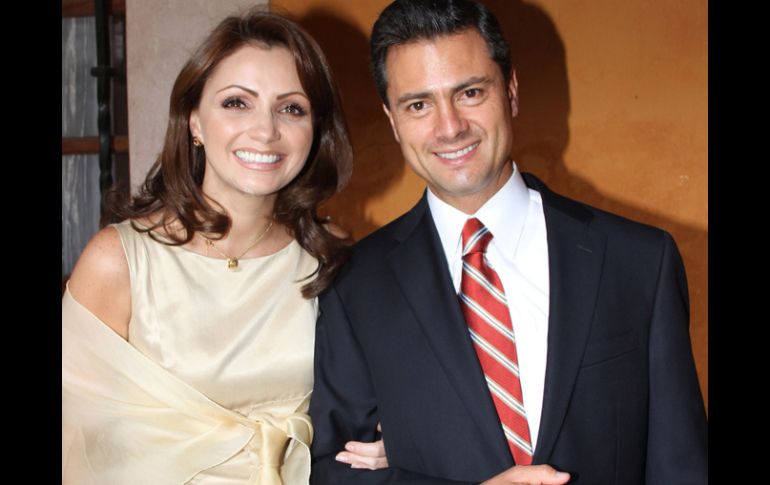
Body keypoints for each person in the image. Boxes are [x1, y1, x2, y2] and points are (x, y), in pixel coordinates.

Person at [309, 0, 708, 484]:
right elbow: (333, 472)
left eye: (470, 92)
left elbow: (682, 466)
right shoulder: (354, 286)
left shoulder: (639, 262)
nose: (450, 126)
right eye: (419, 105)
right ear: (393, 121)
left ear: (511, 91)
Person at [62, 8, 387, 484]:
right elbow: (76, 445)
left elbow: (363, 404)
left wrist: (396, 437)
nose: (266, 130)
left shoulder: (330, 255)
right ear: (194, 121)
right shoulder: (118, 262)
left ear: (316, 129)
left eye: (291, 108)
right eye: (237, 102)